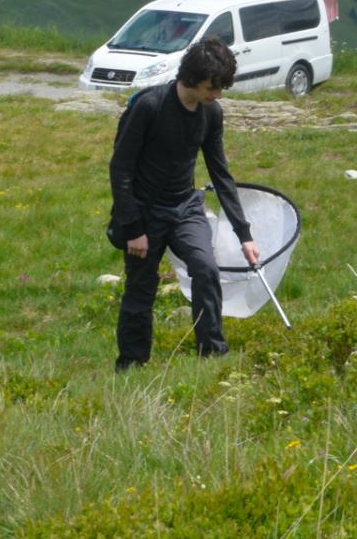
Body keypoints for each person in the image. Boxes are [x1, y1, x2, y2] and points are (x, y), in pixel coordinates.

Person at [108, 35, 260, 370]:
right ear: (192, 79)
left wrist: (244, 234)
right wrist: (133, 228)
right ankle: (131, 365)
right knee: (140, 289)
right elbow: (120, 169)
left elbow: (221, 173)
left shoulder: (211, 113)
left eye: (221, 88)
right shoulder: (149, 106)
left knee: (206, 269)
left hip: (185, 207)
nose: (217, 95)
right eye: (212, 87)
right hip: (144, 212)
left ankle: (213, 356)